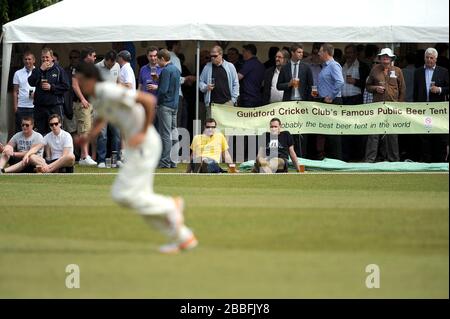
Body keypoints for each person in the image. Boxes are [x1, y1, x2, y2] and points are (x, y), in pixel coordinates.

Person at [74, 61, 198, 254]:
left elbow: (149, 101)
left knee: (122, 195)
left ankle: (170, 205)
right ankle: (184, 237)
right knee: (142, 201)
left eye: (80, 80)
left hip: (144, 144)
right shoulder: (97, 97)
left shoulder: (107, 90)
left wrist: (143, 131)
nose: (79, 85)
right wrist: (88, 137)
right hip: (137, 147)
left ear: (90, 78)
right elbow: (101, 117)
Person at [365, 48, 406, 162]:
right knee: (374, 133)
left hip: (393, 107)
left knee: (392, 134)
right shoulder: (374, 70)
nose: (385, 58)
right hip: (377, 107)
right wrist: (375, 88)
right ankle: (369, 160)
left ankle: (394, 160)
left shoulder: (398, 71)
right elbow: (367, 86)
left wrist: (400, 106)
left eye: (387, 56)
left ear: (392, 58)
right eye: (383, 56)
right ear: (380, 58)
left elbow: (402, 89)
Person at [413, 47, 449, 162]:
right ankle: (425, 161)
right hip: (423, 109)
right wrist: (416, 108)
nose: (429, 60)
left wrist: (439, 89)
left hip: (437, 110)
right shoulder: (418, 72)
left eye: (431, 58)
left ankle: (440, 161)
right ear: (424, 58)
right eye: (427, 57)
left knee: (439, 136)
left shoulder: (443, 71)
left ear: (436, 59)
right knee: (424, 137)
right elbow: (415, 91)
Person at [28, 47, 70, 135]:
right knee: (40, 133)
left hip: (55, 107)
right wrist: (40, 70)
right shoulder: (37, 70)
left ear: (52, 58)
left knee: (56, 132)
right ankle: (43, 149)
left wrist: (52, 87)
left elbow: (66, 86)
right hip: (40, 107)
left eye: (47, 57)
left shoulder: (59, 70)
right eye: (43, 57)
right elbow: (31, 82)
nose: (45, 59)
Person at [341, 44, 371, 161]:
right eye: (347, 52)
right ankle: (345, 156)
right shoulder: (341, 66)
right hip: (344, 100)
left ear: (356, 54)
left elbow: (368, 84)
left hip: (356, 100)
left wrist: (355, 81)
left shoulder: (363, 66)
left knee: (356, 128)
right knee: (344, 128)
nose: (349, 55)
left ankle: (357, 156)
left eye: (351, 52)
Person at [316, 43, 345, 160]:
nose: (318, 54)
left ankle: (336, 159)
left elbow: (340, 81)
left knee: (333, 132)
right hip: (325, 101)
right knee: (326, 131)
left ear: (326, 53)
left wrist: (331, 96)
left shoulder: (333, 65)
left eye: (320, 51)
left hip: (332, 101)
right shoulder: (325, 66)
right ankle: (328, 158)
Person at [95, 50, 122, 168]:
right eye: (109, 64)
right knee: (103, 134)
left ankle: (116, 160)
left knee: (116, 133)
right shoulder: (97, 68)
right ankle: (101, 160)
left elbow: (119, 82)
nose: (111, 66)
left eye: (113, 64)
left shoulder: (117, 66)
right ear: (105, 60)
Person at [72, 47, 98, 166]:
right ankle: (84, 156)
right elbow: (75, 84)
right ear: (87, 56)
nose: (95, 58)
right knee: (83, 130)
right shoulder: (79, 67)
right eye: (93, 55)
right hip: (82, 103)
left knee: (88, 129)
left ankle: (85, 156)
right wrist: (82, 99)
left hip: (90, 102)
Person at [156, 49, 181, 169]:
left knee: (165, 134)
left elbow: (163, 90)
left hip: (165, 105)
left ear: (162, 59)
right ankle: (173, 161)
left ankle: (165, 161)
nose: (157, 62)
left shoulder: (165, 70)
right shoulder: (176, 69)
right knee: (173, 133)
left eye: (157, 59)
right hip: (175, 105)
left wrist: (158, 102)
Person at [199, 45, 239, 114]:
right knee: (211, 124)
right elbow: (200, 82)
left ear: (221, 55)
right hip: (212, 104)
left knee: (227, 124)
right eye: (211, 56)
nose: (212, 58)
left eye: (215, 56)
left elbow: (235, 83)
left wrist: (233, 100)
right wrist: (206, 87)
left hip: (227, 103)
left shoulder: (230, 66)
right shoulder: (207, 67)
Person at [13, 52, 36, 133]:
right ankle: (19, 146)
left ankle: (33, 146)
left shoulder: (38, 72)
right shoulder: (18, 73)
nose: (27, 61)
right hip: (21, 106)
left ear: (34, 60)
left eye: (29, 59)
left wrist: (37, 95)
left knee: (33, 130)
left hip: (34, 106)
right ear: (23, 60)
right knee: (20, 130)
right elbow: (15, 91)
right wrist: (16, 107)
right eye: (25, 59)